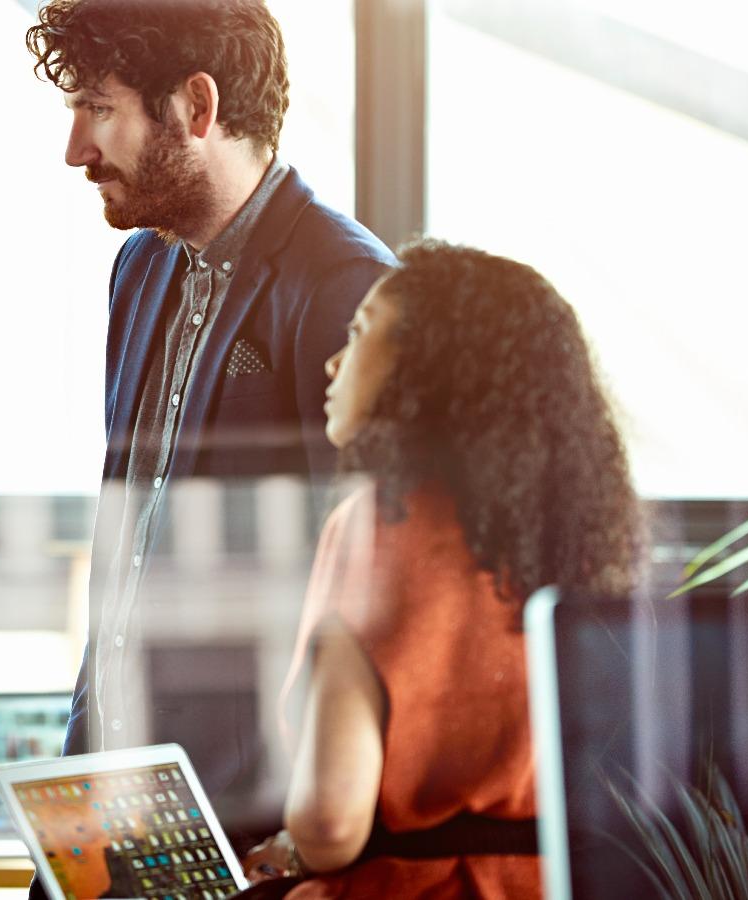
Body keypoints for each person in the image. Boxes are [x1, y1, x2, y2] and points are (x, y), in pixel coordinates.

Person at [22, 0, 397, 829]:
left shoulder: (350, 289)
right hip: (118, 801)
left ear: (198, 106)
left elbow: (374, 596)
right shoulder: (139, 266)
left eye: (99, 110)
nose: (76, 150)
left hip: (254, 821)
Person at [239, 240, 642, 898]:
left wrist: (292, 851)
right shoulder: (578, 532)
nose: (334, 363)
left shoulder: (379, 526)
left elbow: (330, 822)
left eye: (362, 333)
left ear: (428, 368)